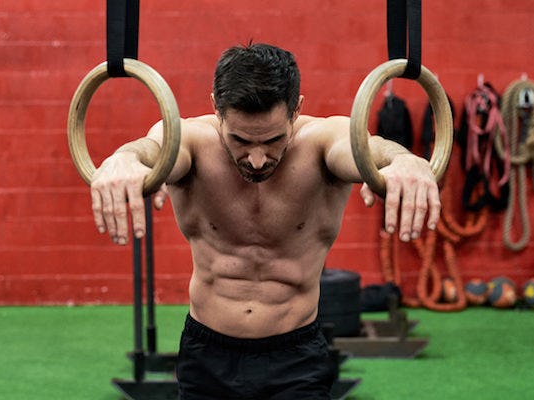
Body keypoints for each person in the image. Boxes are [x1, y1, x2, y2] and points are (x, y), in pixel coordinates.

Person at [89, 43, 440, 400]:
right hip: (207, 355)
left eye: (273, 140)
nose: (257, 159)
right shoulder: (190, 141)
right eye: (240, 140)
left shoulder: (323, 142)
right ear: (216, 108)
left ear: (295, 110)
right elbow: (152, 150)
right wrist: (125, 157)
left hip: (296, 359)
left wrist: (403, 159)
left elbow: (370, 150)